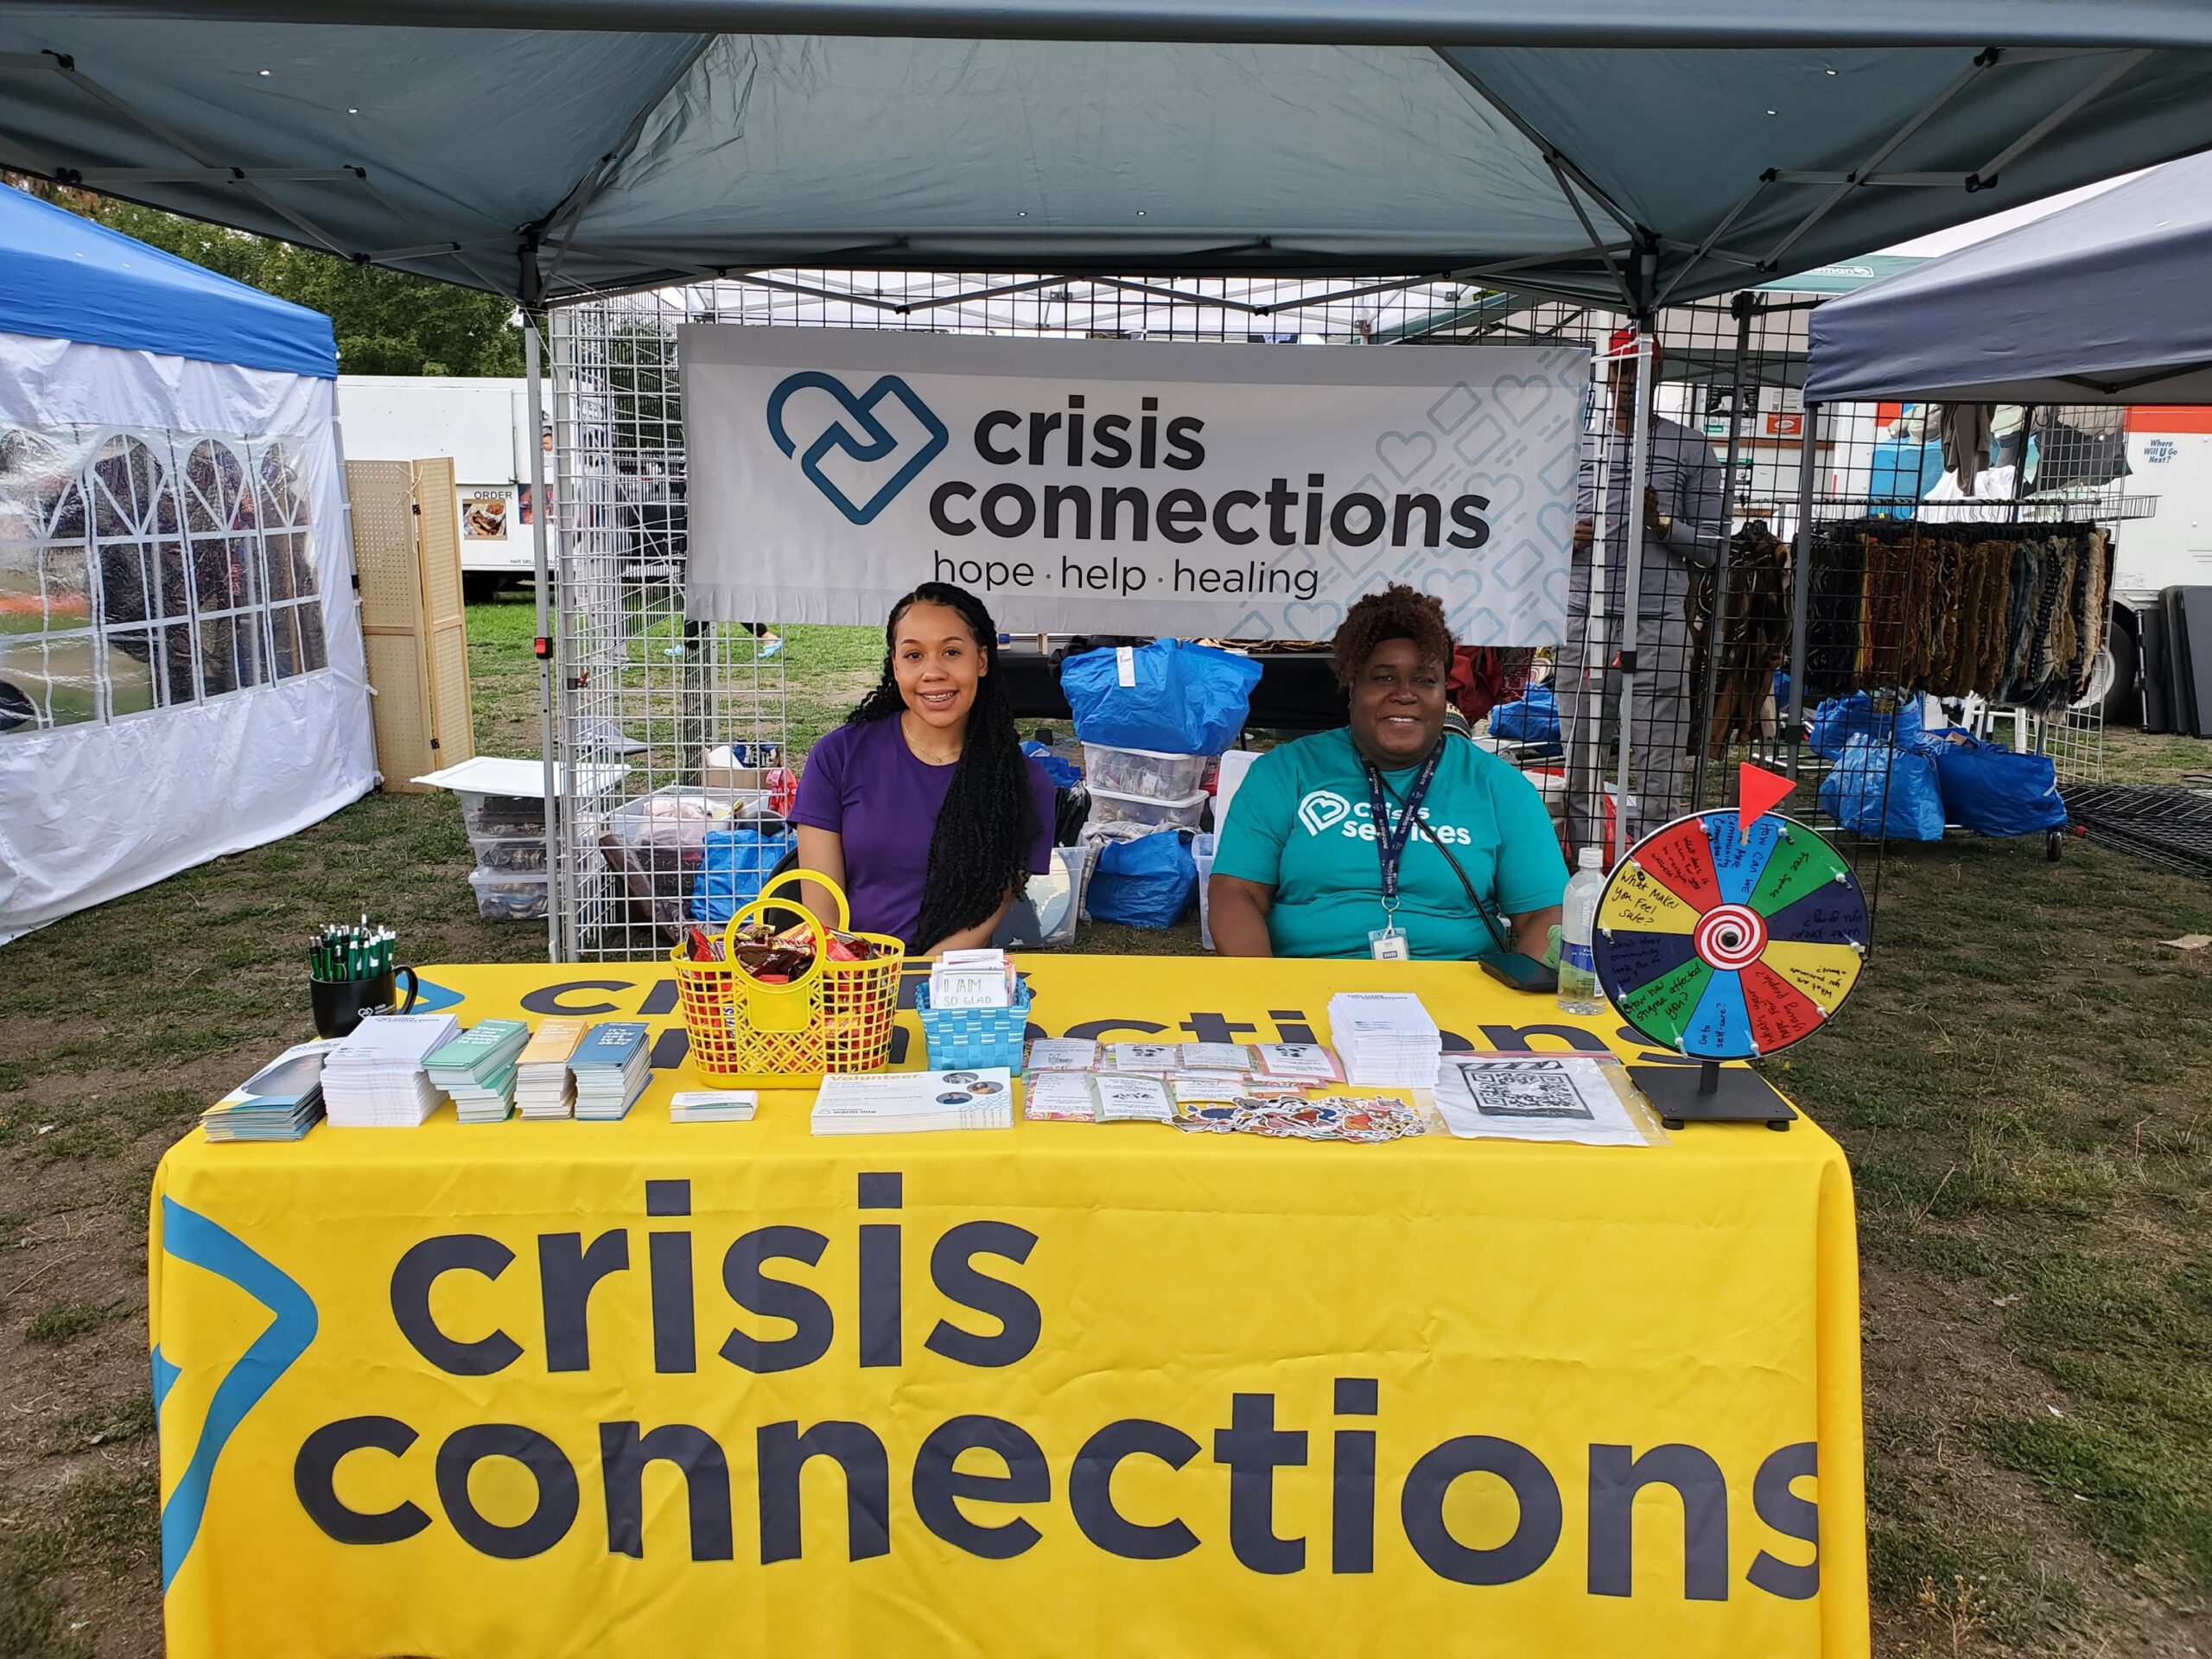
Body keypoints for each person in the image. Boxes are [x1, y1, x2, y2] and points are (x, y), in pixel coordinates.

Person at [1209, 585, 1566, 963]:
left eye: (1425, 680)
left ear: (1444, 691)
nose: (1404, 694)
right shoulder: (1285, 772)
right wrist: (1262, 992)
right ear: (1353, 688)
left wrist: (1519, 994)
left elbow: (1545, 913)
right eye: (1383, 678)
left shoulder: (1499, 786)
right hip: (1308, 985)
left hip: (1456, 992)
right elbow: (1236, 892)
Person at [793, 582, 1056, 955]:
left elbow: (982, 920)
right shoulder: (838, 755)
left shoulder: (1023, 785)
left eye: (951, 652)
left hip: (953, 984)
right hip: (850, 979)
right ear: (895, 664)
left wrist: (919, 980)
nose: (933, 672)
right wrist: (863, 981)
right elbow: (822, 914)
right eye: (914, 655)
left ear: (980, 660)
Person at [1560, 329, 1726, 855]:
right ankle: (1580, 870)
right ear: (1608, 375)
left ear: (1660, 377)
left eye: (1643, 371)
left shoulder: (1690, 447)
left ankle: (1653, 870)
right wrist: (1562, 534)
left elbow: (1714, 550)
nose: (1631, 382)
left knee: (1659, 760)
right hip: (1585, 618)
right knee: (1580, 755)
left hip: (1658, 622)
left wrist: (1662, 525)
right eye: (1623, 370)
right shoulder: (1573, 442)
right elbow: (1528, 529)